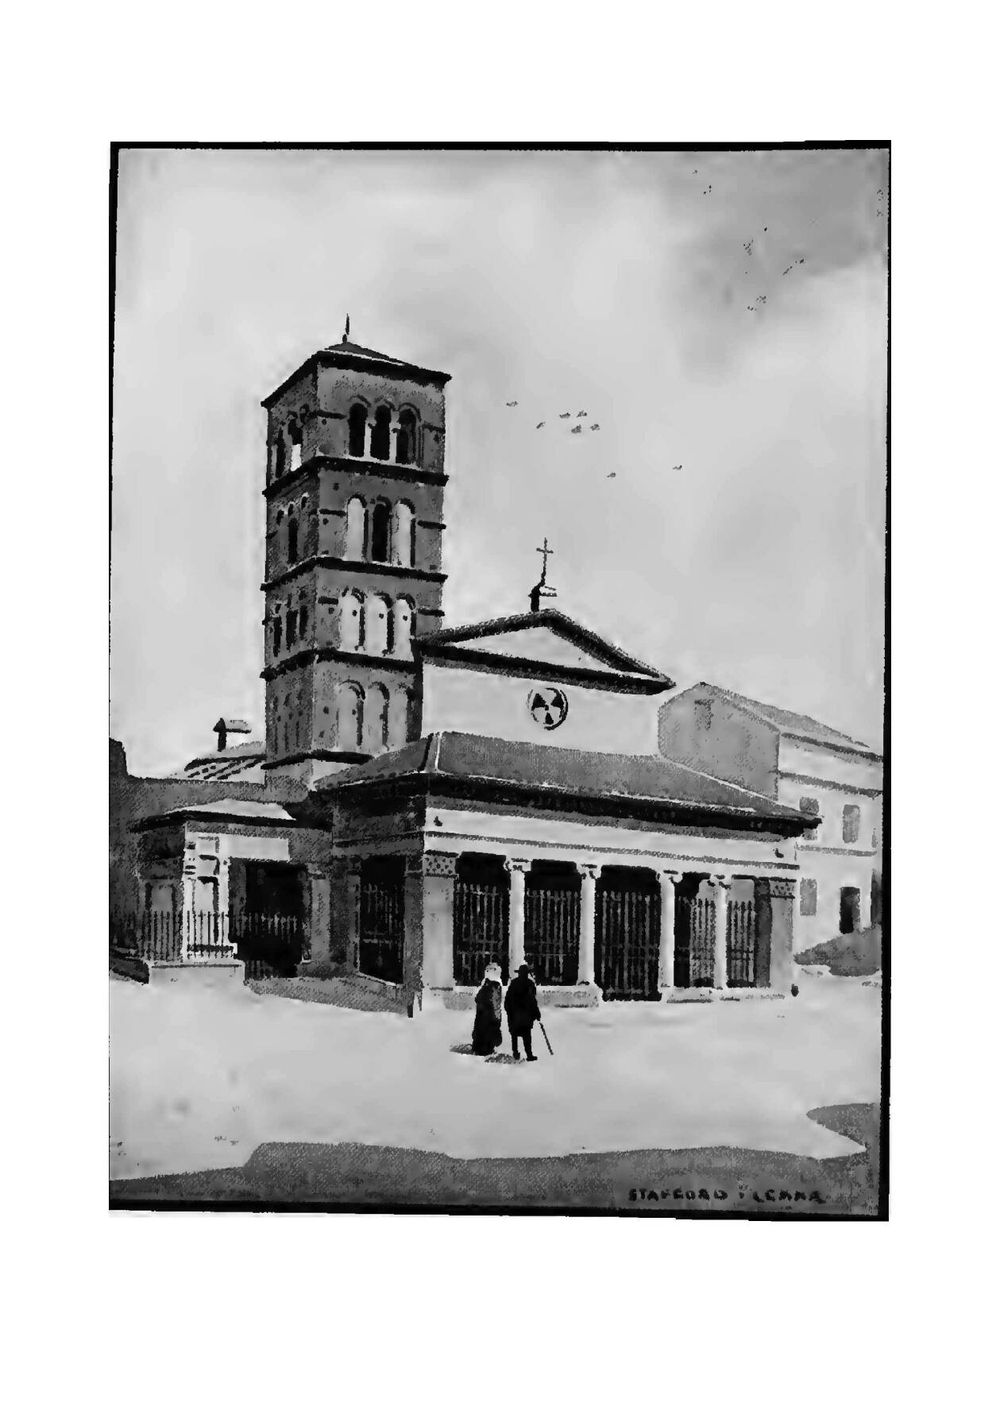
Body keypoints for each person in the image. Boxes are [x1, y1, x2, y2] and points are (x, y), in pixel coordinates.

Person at [504, 963, 542, 1061]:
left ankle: (516, 1053)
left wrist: (509, 1011)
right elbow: (533, 1000)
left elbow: (507, 999)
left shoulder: (514, 983)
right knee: (526, 1036)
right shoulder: (529, 984)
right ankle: (529, 1054)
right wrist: (536, 1013)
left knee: (515, 1035)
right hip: (525, 1015)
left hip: (516, 1015)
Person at [471, 962, 504, 1056]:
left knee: (482, 1036)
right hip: (488, 1019)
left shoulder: (486, 985)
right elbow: (496, 1005)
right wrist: (497, 1020)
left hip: (482, 1018)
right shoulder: (495, 986)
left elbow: (478, 999)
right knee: (486, 1038)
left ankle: (481, 1049)